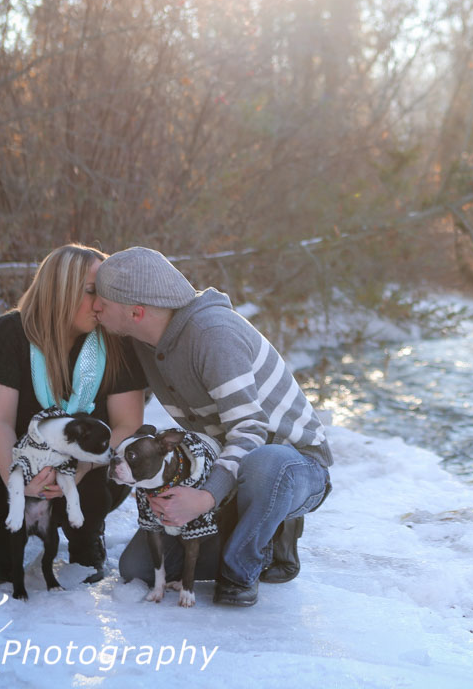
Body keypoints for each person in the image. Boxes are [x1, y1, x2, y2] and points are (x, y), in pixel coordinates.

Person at [92, 246, 333, 607]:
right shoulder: (142, 340)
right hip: (228, 462)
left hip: (294, 466)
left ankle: (245, 564)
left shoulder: (213, 335)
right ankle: (255, 531)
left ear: (136, 311)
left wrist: (204, 498)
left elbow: (250, 430)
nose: (95, 306)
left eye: (102, 301)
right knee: (138, 567)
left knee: (267, 464)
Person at [0, 244, 148, 583]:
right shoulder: (9, 333)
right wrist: (21, 480)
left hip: (86, 471)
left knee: (125, 451)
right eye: (92, 291)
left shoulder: (114, 339)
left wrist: (79, 468)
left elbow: (128, 424)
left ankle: (86, 537)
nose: (100, 304)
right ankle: (5, 537)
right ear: (59, 290)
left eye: (105, 294)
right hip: (16, 462)